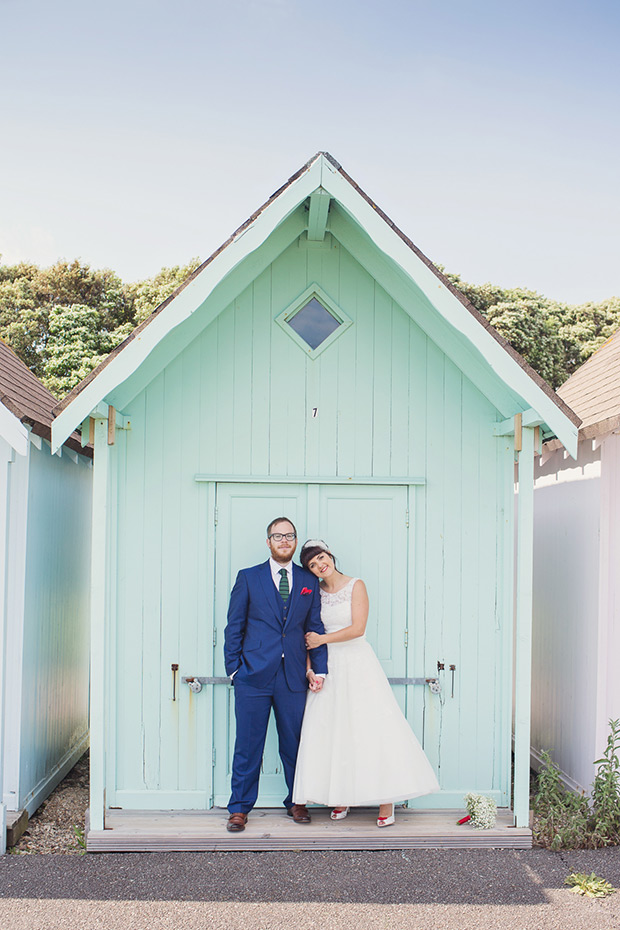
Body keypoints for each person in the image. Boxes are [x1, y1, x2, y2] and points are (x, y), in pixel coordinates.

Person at [293, 539, 439, 826]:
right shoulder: (314, 593)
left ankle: (387, 802)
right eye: (313, 565)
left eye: (322, 558)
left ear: (330, 555)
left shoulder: (356, 585)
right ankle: (341, 796)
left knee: (370, 727)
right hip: (328, 665)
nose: (320, 565)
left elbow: (358, 629)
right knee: (334, 729)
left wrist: (323, 639)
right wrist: (312, 670)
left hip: (357, 662)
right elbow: (308, 634)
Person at [223, 518, 329, 833]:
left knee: (295, 744)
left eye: (290, 535)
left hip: (293, 676)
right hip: (252, 676)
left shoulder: (307, 579)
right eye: (278, 535)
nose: (284, 540)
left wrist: (319, 668)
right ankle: (239, 808)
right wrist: (234, 670)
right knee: (247, 745)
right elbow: (234, 626)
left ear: (295, 542)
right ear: (268, 541)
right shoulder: (248, 578)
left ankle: (296, 802)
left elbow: (314, 628)